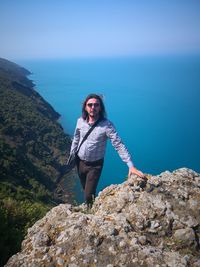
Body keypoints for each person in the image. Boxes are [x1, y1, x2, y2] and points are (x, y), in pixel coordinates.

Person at [70, 93, 145, 208]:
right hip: (79, 162)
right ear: (85, 107)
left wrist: (131, 165)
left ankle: (89, 210)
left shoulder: (107, 126)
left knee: (88, 195)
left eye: (96, 105)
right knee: (85, 189)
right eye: (90, 105)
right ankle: (90, 205)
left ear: (100, 107)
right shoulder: (80, 121)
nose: (93, 107)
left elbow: (118, 144)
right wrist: (72, 155)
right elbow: (76, 138)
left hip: (94, 166)